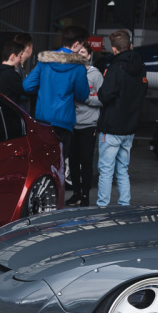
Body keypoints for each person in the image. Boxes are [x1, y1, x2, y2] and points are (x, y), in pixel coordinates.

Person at [95, 28, 148, 207]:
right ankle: (124, 205)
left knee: (106, 170)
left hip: (111, 127)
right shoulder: (140, 68)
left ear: (114, 49)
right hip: (129, 127)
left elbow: (104, 96)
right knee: (122, 170)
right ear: (130, 45)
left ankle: (102, 207)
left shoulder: (115, 68)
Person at [22, 26, 90, 155]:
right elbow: (82, 96)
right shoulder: (78, 68)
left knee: (42, 159)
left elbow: (28, 86)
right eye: (82, 44)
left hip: (42, 119)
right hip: (64, 122)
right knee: (60, 160)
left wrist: (44, 89)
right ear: (76, 44)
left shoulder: (45, 62)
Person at [68, 45, 103, 206]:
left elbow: (103, 99)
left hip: (89, 125)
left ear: (89, 56)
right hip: (72, 124)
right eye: (77, 52)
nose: (79, 55)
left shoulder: (95, 75)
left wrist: (86, 98)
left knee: (86, 161)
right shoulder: (72, 72)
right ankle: (76, 193)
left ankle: (85, 196)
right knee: (73, 161)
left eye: (82, 52)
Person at [0, 40, 27, 105]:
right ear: (13, 57)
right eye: (20, 56)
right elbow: (27, 91)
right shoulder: (12, 75)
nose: (21, 59)